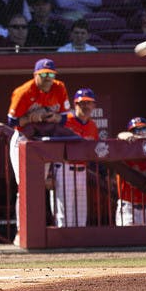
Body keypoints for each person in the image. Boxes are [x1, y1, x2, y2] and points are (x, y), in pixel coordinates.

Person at [7, 58, 74, 221]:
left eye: (51, 74)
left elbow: (65, 118)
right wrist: (31, 118)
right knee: (25, 185)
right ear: (35, 75)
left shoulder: (59, 88)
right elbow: (11, 121)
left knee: (37, 185)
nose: (47, 78)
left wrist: (54, 117)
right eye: (43, 74)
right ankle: (22, 228)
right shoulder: (24, 92)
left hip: (44, 138)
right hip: (24, 138)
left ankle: (35, 225)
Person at [52, 88, 100, 228]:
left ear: (94, 105)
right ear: (75, 105)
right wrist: (49, 174)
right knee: (64, 212)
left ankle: (79, 245)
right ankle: (64, 244)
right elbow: (51, 147)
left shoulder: (93, 126)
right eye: (82, 103)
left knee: (81, 211)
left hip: (82, 169)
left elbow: (95, 150)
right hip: (64, 169)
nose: (85, 106)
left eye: (88, 103)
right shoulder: (65, 121)